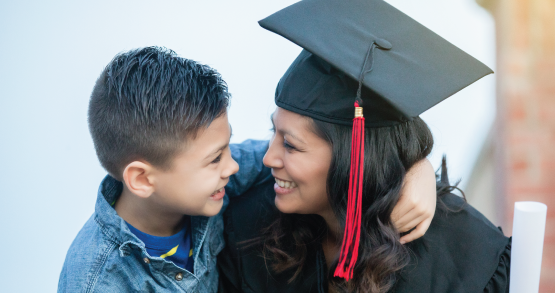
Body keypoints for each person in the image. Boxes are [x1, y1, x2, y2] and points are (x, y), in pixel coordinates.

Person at [58, 47, 437, 292]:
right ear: (142, 178)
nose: (235, 165)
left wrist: (416, 167)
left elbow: (327, 162)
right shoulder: (97, 279)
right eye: (215, 159)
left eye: (227, 148)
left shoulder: (216, 180)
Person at [217, 0, 511, 292]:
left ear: (356, 156)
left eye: (291, 145)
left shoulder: (470, 258)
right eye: (274, 132)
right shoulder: (249, 228)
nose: (269, 158)